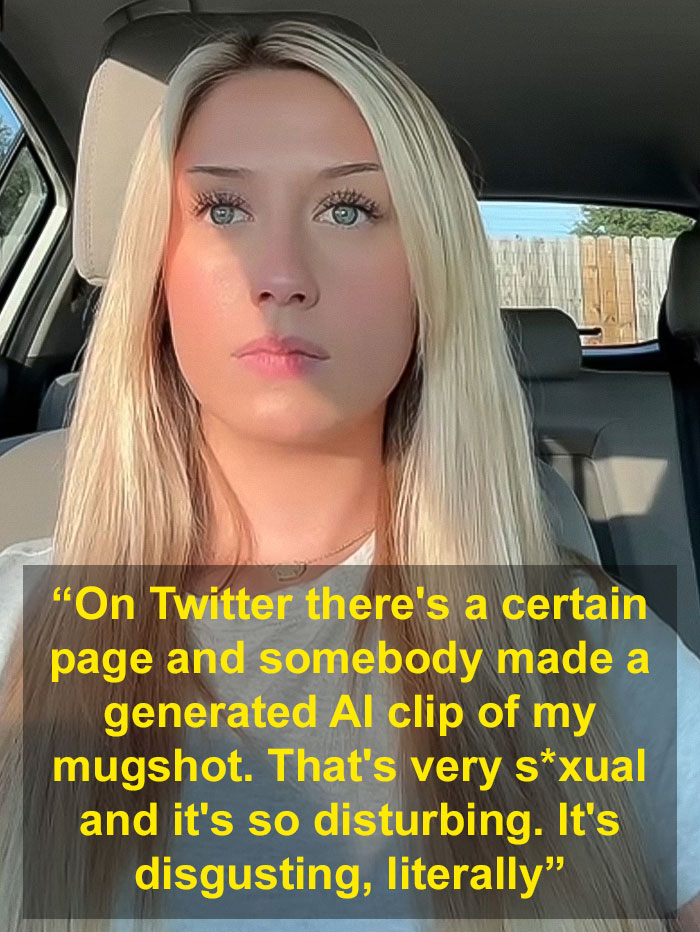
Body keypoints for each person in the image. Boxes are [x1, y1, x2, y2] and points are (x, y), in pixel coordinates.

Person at [0, 18, 698, 932]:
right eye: (222, 209)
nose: (280, 276)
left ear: (428, 281)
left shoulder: (588, 648)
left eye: (348, 210)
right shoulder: (16, 626)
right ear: (157, 281)